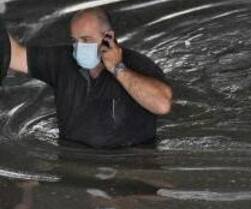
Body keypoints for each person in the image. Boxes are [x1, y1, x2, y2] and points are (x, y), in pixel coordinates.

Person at [1, 8, 173, 148]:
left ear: (109, 38)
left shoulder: (138, 65)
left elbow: (162, 104)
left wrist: (117, 68)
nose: (78, 47)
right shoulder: (63, 61)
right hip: (72, 161)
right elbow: (14, 56)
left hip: (128, 165)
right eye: (75, 41)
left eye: (86, 40)